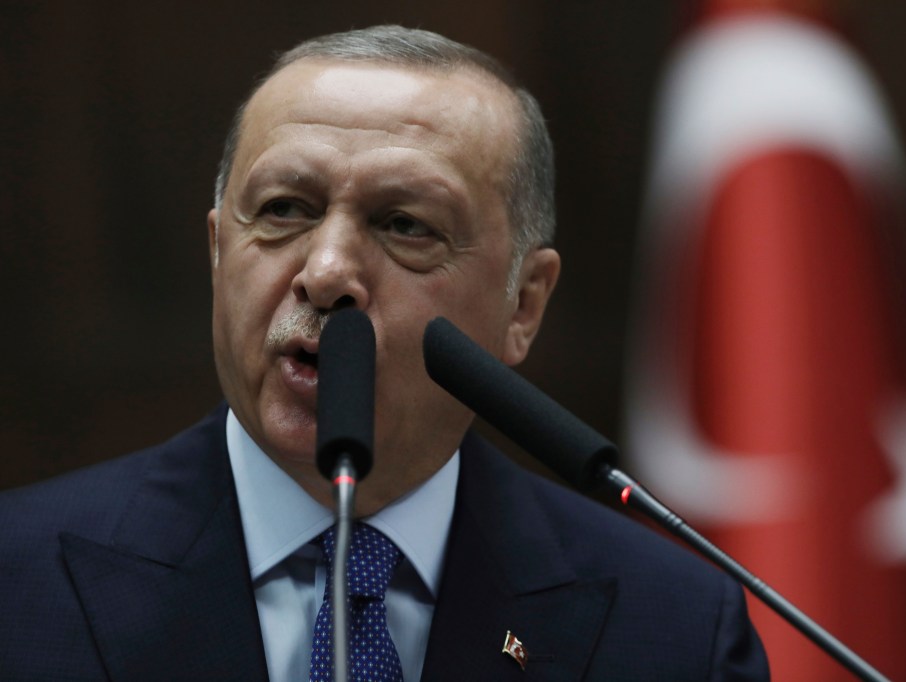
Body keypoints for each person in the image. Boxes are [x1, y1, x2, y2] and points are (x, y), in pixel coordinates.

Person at [0, 25, 769, 681]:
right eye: (283, 211)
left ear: (523, 303)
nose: (327, 272)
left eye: (405, 224)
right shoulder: (17, 580)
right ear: (216, 252)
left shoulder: (674, 632)